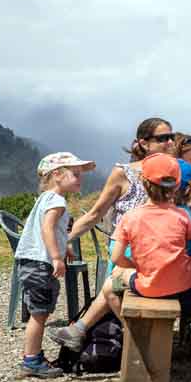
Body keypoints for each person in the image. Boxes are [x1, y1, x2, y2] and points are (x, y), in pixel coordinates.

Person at [51, 153, 191, 382]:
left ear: (143, 183)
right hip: (185, 288)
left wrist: (138, 267)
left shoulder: (131, 217)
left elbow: (118, 257)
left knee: (112, 284)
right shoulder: (184, 215)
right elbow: (189, 247)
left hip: (146, 285)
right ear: (177, 186)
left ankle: (132, 333)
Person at [15, 153, 95, 378]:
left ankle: (33, 356)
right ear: (57, 175)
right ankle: (31, 361)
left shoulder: (46, 197)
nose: (81, 179)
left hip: (30, 261)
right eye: (76, 174)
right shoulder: (58, 201)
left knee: (37, 312)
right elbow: (47, 228)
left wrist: (64, 246)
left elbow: (51, 230)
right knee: (39, 315)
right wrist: (56, 258)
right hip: (41, 263)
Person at [66, 117, 176, 274]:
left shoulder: (174, 170)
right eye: (163, 138)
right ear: (144, 143)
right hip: (128, 251)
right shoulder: (124, 173)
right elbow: (95, 214)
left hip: (163, 249)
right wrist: (63, 241)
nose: (171, 142)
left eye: (172, 137)